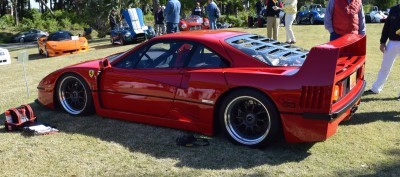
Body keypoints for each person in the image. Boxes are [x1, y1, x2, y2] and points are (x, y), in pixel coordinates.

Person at [365, 4, 400, 100]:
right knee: (385, 66)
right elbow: (387, 26)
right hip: (392, 42)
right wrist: (382, 42)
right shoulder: (393, 9)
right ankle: (376, 89)